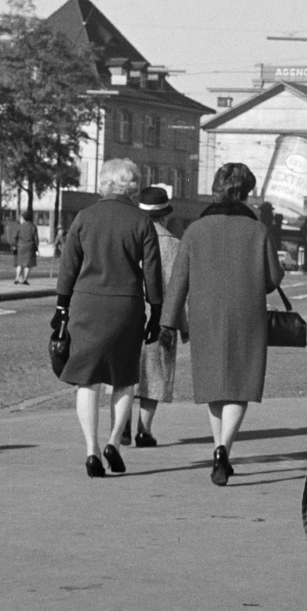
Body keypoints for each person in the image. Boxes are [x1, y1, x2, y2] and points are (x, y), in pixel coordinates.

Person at [161, 162, 283, 486]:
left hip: (205, 313)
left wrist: (168, 322)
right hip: (246, 313)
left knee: (214, 384)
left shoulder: (195, 230)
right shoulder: (257, 230)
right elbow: (274, 278)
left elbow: (178, 281)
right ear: (244, 193)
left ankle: (219, 448)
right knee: (240, 385)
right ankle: (223, 449)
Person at [53, 159, 163, 478]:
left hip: (86, 304)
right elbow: (153, 275)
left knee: (87, 380)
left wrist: (62, 307)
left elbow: (68, 268)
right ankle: (114, 441)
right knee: (124, 377)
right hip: (126, 307)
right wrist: (155, 313)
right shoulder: (142, 222)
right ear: (133, 186)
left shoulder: (85, 218)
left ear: (103, 183)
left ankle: (90, 449)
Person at [130, 186, 184, 447]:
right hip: (162, 317)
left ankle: (122, 425)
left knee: (125, 371)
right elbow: (180, 288)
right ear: (164, 216)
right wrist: (182, 324)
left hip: (128, 312)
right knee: (154, 376)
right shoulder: (174, 244)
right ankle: (143, 429)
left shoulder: (129, 237)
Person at [13, 209, 39, 284]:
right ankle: (24, 279)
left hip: (20, 246)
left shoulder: (20, 226)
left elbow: (15, 236)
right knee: (28, 264)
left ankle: (17, 278)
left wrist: (15, 245)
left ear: (24, 218)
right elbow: (36, 238)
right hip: (30, 246)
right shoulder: (33, 227)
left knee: (20, 263)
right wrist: (36, 247)